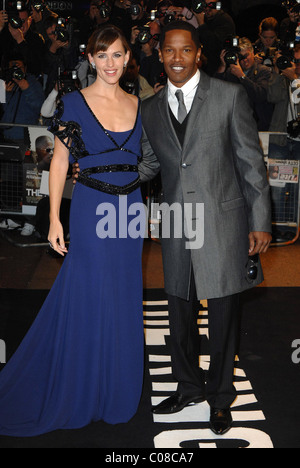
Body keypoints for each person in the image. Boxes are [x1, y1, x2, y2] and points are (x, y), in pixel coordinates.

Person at [0, 25, 145, 436]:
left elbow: (149, 160)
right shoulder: (74, 102)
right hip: (92, 208)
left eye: (117, 55)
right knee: (90, 291)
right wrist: (53, 219)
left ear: (128, 56)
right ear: (91, 59)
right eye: (103, 56)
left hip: (130, 211)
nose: (110, 64)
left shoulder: (140, 103)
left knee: (122, 294)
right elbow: (60, 162)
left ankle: (115, 391)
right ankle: (81, 389)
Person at [138, 21, 272, 435]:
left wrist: (260, 221)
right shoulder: (150, 109)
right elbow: (148, 166)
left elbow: (252, 163)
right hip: (177, 227)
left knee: (221, 317)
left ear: (198, 53)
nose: (177, 58)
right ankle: (189, 387)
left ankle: (220, 398)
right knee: (178, 315)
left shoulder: (229, 96)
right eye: (168, 51)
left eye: (185, 50)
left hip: (224, 224)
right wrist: (94, 173)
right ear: (160, 56)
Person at [216, 37, 274, 131]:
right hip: (235, 125)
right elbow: (215, 92)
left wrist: (242, 76)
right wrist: (223, 65)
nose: (244, 60)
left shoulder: (263, 71)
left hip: (258, 126)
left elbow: (260, 96)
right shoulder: (231, 72)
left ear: (252, 53)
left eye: (246, 55)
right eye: (240, 57)